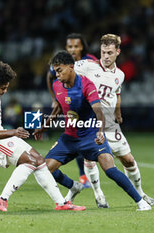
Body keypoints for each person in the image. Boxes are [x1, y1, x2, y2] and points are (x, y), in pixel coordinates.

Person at [34, 51, 151, 211]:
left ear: (71, 67)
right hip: (69, 138)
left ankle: (141, 202)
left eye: (59, 70)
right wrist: (44, 126)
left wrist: (100, 131)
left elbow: (99, 112)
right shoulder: (56, 85)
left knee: (110, 169)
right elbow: (59, 107)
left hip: (90, 136)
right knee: (45, 169)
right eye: (55, 70)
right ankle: (74, 186)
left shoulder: (87, 85)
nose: (57, 74)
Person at [0, 61, 85, 212]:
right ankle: (2, 199)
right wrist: (14, 132)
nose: (5, 91)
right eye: (3, 88)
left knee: (39, 160)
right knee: (29, 160)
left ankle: (61, 203)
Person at [74, 34, 154, 206]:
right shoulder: (86, 66)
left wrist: (118, 111)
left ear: (118, 52)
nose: (105, 56)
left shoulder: (120, 74)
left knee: (128, 159)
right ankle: (99, 195)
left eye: (110, 53)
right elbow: (62, 70)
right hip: (90, 122)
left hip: (110, 123)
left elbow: (116, 93)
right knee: (90, 159)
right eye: (103, 52)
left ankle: (141, 193)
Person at [46, 33, 97, 188]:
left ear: (82, 47)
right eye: (70, 46)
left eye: (76, 46)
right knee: (74, 137)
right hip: (71, 106)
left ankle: (88, 177)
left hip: (90, 106)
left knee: (87, 143)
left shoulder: (91, 60)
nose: (73, 49)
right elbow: (50, 76)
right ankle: (83, 177)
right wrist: (55, 99)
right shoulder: (62, 62)